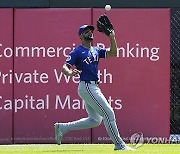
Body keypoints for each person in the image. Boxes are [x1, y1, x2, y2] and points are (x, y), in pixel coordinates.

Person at [54, 24, 134, 151]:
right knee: (109, 113)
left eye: (91, 31)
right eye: (86, 31)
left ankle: (63, 127)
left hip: (92, 86)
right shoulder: (77, 51)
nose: (90, 33)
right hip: (86, 86)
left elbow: (114, 53)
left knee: (95, 120)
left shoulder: (96, 50)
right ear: (81, 36)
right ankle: (119, 144)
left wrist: (112, 37)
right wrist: (70, 73)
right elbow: (64, 67)